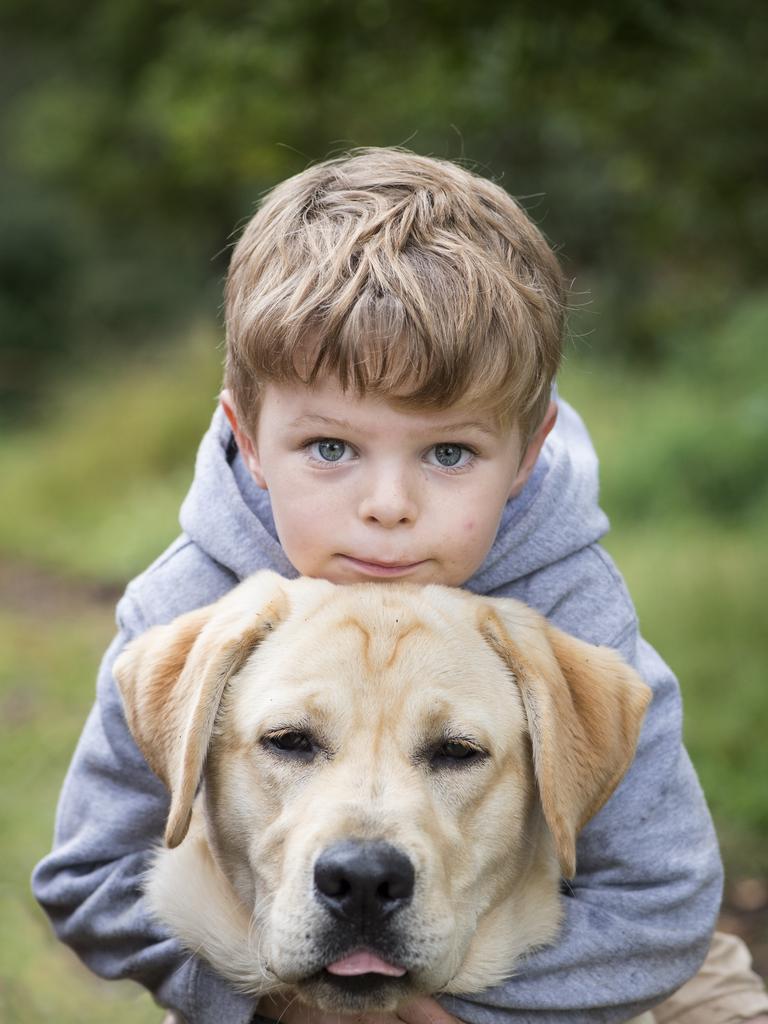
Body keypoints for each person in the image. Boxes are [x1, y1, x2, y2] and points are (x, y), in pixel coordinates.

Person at [32, 149, 768, 1024]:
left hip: (594, 966)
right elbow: (92, 878)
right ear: (252, 442)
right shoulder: (191, 605)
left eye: (448, 453)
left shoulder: (572, 611)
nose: (389, 507)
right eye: (333, 450)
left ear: (527, 457)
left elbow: (658, 905)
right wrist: (274, 1007)